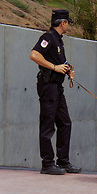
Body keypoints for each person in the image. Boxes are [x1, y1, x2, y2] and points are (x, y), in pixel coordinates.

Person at [29, 9, 81, 175]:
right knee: (47, 124)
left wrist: (66, 70)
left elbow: (58, 62)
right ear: (63, 23)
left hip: (57, 87)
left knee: (65, 123)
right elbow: (34, 55)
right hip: (48, 86)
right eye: (68, 23)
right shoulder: (48, 38)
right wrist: (54, 67)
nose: (68, 26)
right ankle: (47, 163)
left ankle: (63, 161)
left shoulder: (58, 40)